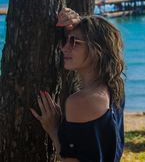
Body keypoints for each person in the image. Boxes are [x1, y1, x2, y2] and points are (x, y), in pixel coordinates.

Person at [30, 8, 125, 162]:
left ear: (96, 50)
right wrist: (74, 20)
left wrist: (53, 129)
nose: (63, 48)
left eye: (74, 42)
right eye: (65, 41)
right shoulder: (114, 86)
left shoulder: (80, 101)